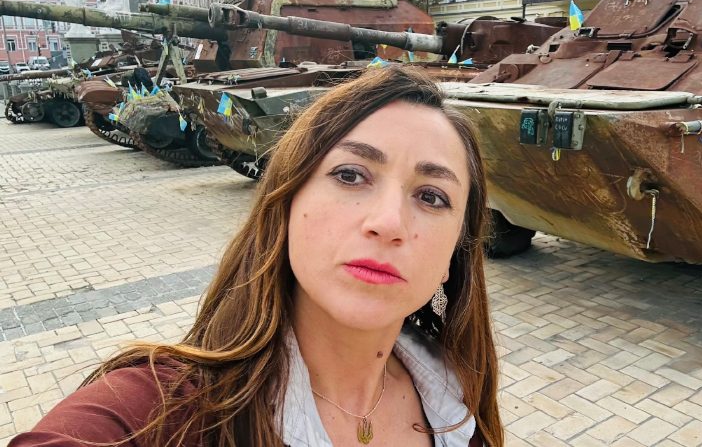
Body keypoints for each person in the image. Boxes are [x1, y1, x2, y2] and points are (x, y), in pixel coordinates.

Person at [10, 66, 502, 447]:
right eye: (351, 175)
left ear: (452, 256)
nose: (389, 222)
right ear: (287, 204)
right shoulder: (163, 411)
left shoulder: (457, 399)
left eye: (432, 197)